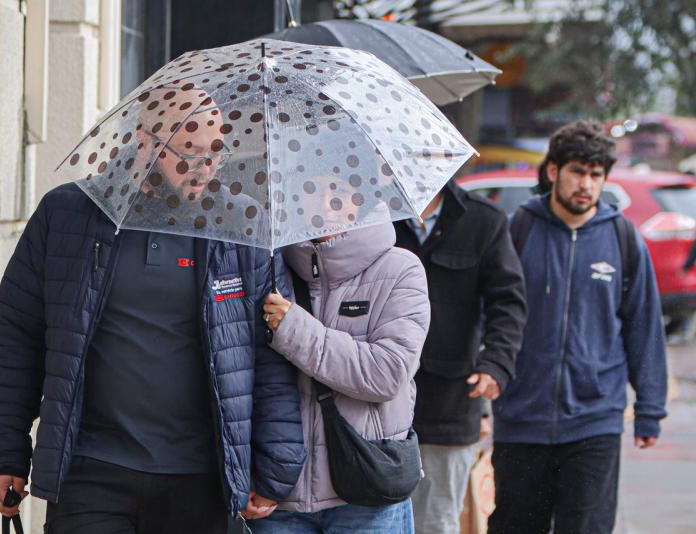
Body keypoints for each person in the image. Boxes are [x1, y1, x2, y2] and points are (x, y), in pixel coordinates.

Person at [0, 86, 306, 533]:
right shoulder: (70, 214)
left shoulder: (242, 226)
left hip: (202, 478)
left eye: (215, 151)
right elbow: (19, 336)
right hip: (92, 470)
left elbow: (271, 351)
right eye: (189, 151)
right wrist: (6, 451)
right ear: (145, 141)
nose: (205, 167)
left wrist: (274, 468)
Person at [489, 120, 668, 534]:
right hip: (522, 416)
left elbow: (644, 325)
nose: (585, 184)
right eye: (577, 171)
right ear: (553, 171)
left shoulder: (622, 238)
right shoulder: (520, 229)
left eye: (595, 174)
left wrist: (649, 410)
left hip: (595, 419)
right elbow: (492, 313)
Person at [249, 199, 431, 533]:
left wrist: (294, 331)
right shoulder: (269, 266)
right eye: (312, 187)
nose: (324, 200)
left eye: (338, 188)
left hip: (366, 490)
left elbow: (388, 374)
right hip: (278, 495)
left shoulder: (400, 269)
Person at [392, 178, 527, 534]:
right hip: (375, 397)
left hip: (449, 402)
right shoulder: (371, 212)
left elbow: (508, 303)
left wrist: (495, 364)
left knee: (436, 521)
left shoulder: (484, 219)